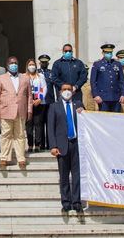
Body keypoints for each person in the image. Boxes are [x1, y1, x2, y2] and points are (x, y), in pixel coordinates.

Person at [47, 83, 84, 213]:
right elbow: (50, 128)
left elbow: (86, 122)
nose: (67, 91)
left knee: (77, 175)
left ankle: (77, 202)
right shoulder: (54, 107)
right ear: (60, 92)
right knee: (63, 176)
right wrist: (53, 146)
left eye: (69, 89)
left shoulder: (78, 105)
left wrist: (82, 112)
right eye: (64, 89)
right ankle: (66, 202)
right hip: (62, 145)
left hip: (76, 144)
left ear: (72, 92)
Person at [0, 56, 33, 169]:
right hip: (5, 110)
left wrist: (29, 109)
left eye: (15, 63)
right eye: (11, 63)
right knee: (6, 135)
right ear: (7, 65)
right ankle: (4, 158)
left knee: (20, 135)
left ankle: (21, 158)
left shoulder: (25, 78)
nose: (14, 65)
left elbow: (29, 95)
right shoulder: (1, 78)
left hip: (21, 110)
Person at [91, 43, 124, 112]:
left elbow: (122, 80)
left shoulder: (117, 64)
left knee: (116, 119)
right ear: (103, 53)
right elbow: (93, 81)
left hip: (116, 97)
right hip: (103, 98)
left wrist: (123, 94)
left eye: (110, 52)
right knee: (104, 119)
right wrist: (95, 95)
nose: (109, 54)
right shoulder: (97, 64)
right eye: (107, 52)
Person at [25, 58, 47, 153]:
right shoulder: (23, 76)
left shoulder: (40, 76)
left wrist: (40, 99)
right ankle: (30, 144)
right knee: (29, 124)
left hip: (39, 102)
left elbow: (44, 87)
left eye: (33, 64)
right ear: (27, 66)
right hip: (28, 103)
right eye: (30, 64)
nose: (31, 66)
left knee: (38, 124)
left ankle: (37, 144)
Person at [38, 54, 56, 150]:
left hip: (50, 101)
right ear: (39, 63)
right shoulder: (36, 73)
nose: (44, 63)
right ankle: (41, 144)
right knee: (40, 123)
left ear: (48, 63)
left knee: (50, 123)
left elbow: (55, 86)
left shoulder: (51, 73)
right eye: (42, 62)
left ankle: (50, 144)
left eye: (46, 62)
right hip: (40, 101)